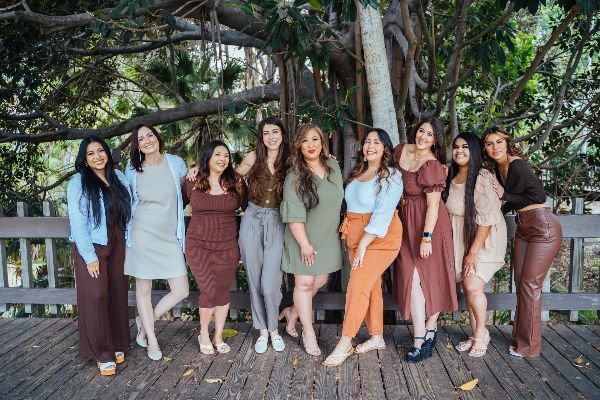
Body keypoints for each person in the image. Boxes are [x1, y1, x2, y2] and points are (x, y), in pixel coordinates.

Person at [322, 129, 403, 367]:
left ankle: (345, 342)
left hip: (379, 237)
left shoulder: (391, 176)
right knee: (371, 286)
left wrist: (364, 244)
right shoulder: (359, 171)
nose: (370, 146)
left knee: (357, 285)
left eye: (376, 142)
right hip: (354, 233)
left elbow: (383, 213)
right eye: (367, 141)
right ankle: (377, 336)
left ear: (385, 148)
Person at [482, 127, 562, 357]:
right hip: (523, 227)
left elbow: (538, 196)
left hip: (542, 227)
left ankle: (529, 347)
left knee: (530, 284)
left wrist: (504, 196)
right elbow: (509, 202)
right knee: (521, 283)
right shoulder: (500, 169)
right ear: (486, 149)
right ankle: (520, 338)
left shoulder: (517, 164)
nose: (495, 146)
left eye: (499, 141)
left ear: (507, 143)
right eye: (489, 143)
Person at [393, 118, 457, 363]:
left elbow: (433, 206)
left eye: (430, 135)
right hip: (405, 222)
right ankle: (428, 330)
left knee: (428, 277)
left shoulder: (432, 165)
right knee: (410, 275)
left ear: (435, 140)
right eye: (421, 130)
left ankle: (422, 335)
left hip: (428, 224)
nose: (423, 137)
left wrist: (427, 237)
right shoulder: (401, 150)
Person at [67, 136, 132, 376]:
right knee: (96, 294)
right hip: (92, 244)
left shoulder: (119, 177)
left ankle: (116, 343)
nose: (97, 156)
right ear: (84, 158)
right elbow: (77, 222)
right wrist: (89, 255)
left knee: (116, 290)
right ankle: (101, 352)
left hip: (118, 241)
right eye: (91, 153)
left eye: (101, 151)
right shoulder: (78, 183)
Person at [124, 124, 190, 361]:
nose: (147, 140)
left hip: (170, 235)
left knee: (181, 290)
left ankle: (144, 322)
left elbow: (187, 190)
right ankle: (151, 339)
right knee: (143, 289)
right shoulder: (132, 169)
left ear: (157, 138)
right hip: (142, 233)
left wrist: (194, 175)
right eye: (141, 139)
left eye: (150, 135)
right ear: (137, 145)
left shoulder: (175, 162)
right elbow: (126, 199)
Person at [281, 123, 344, 356]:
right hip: (302, 237)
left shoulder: (333, 166)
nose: (310, 145)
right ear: (298, 145)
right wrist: (305, 245)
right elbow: (293, 214)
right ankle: (308, 333)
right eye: (305, 140)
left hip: (327, 236)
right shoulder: (294, 175)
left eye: (315, 139)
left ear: (322, 143)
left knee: (319, 282)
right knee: (305, 284)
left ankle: (293, 313)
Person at [443, 132, 507, 358]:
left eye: (465, 147)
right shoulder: (450, 175)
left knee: (471, 285)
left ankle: (481, 333)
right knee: (470, 288)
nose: (460, 151)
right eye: (456, 147)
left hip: (484, 239)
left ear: (475, 151)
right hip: (463, 238)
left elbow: (487, 220)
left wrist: (472, 252)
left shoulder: (481, 177)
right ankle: (475, 333)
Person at [182, 140, 247, 355]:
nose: (222, 159)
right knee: (209, 289)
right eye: (218, 154)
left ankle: (218, 335)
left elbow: (251, 209)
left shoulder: (236, 182)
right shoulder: (192, 181)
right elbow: (173, 206)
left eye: (226, 155)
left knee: (222, 291)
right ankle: (203, 332)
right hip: (198, 245)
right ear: (208, 157)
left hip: (228, 246)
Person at [237, 117, 289, 353]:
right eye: (266, 133)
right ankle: (263, 331)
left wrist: (327, 158)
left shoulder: (291, 159)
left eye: (275, 131)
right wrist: (199, 170)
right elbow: (230, 179)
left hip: (277, 220)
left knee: (269, 283)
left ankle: (274, 328)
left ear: (282, 134)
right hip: (251, 219)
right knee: (254, 277)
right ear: (261, 137)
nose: (271, 137)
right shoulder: (252, 157)